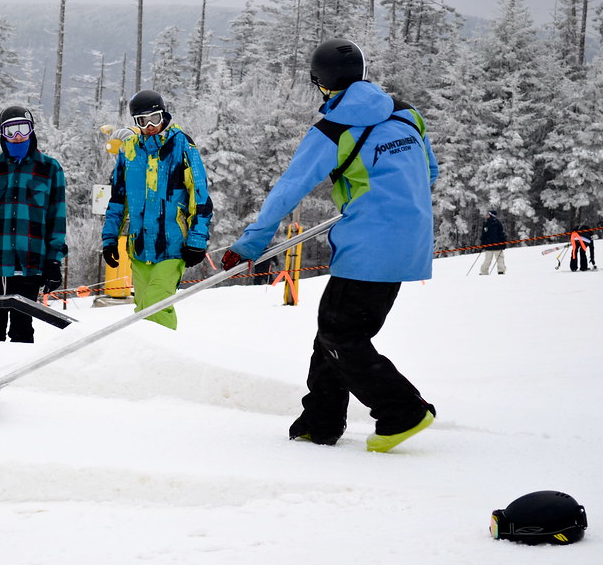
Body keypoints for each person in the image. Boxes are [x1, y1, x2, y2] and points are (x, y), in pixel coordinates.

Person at [221, 38, 439, 453]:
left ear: (320, 83)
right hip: (411, 240)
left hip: (368, 246)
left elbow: (288, 190)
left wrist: (250, 244)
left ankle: (403, 411)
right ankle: (319, 421)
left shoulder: (332, 130)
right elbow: (429, 171)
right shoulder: (407, 114)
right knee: (334, 333)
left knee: (341, 336)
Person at [101, 90, 214, 329]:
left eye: (155, 118)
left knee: (156, 303)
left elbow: (199, 192)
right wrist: (110, 239)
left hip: (172, 243)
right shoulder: (129, 151)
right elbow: (118, 199)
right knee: (142, 308)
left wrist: (197, 239)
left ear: (165, 115)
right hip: (140, 245)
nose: (150, 126)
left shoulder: (181, 144)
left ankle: (167, 360)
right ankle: (148, 360)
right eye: (142, 121)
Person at [0, 105, 67, 343]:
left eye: (23, 129)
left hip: (30, 265)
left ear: (32, 130)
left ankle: (18, 379)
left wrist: (53, 261)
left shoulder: (50, 169)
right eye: (10, 131)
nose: (18, 136)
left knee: (23, 329)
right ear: (2, 134)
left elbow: (57, 219)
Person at [479, 210, 507, 275]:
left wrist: (483, 243)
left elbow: (484, 235)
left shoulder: (486, 223)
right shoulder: (498, 223)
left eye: (488, 214)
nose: (487, 215)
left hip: (488, 246)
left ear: (491, 215)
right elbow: (501, 234)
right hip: (498, 245)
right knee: (500, 258)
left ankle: (484, 272)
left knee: (487, 260)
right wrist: (503, 243)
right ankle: (501, 270)